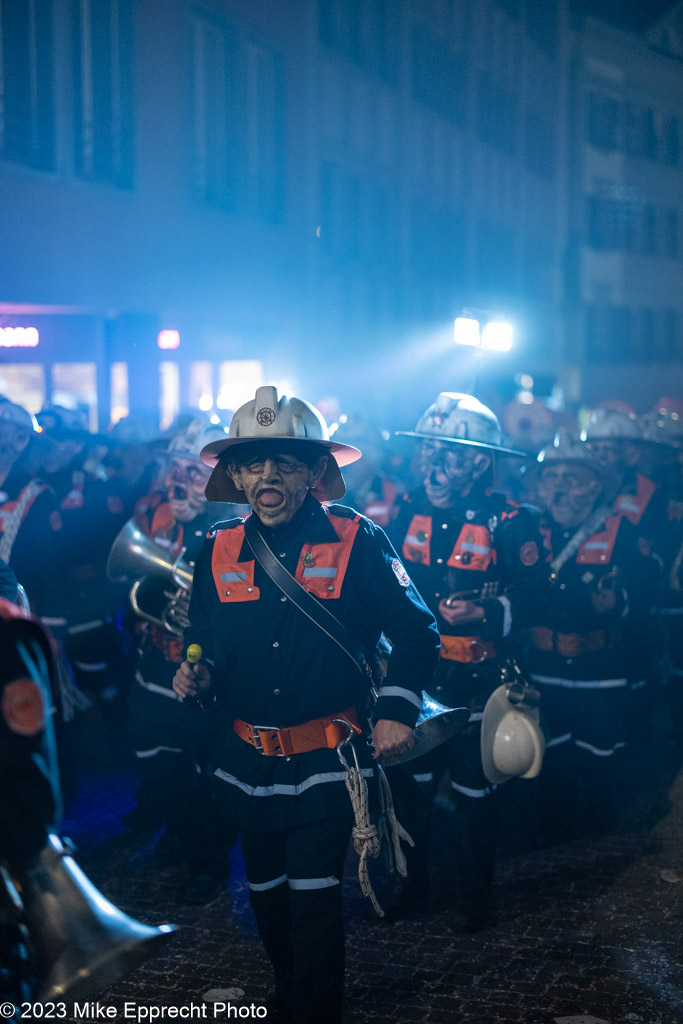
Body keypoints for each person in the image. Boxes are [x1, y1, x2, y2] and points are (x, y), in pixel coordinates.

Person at [172, 385, 439, 1024]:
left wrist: (397, 710)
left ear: (316, 472)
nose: (268, 474)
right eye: (254, 461)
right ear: (234, 473)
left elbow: (416, 630)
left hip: (328, 758)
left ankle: (316, 1011)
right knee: (264, 895)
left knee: (313, 896)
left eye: (287, 461)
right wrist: (198, 671)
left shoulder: (360, 537)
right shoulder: (213, 546)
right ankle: (291, 993)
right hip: (247, 758)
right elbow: (202, 635)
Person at [389, 391, 550, 931]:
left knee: (475, 796)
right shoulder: (408, 507)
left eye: (448, 455)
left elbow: (539, 597)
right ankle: (410, 886)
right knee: (411, 790)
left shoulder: (512, 521)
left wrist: (488, 609)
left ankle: (473, 899)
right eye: (428, 452)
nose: (433, 467)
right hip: (418, 680)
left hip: (479, 682)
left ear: (480, 461)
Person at [120, 417, 240, 904]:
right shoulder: (152, 511)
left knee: (207, 775)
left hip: (202, 679)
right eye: (175, 468)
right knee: (161, 769)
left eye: (193, 471)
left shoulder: (232, 522)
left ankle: (208, 860)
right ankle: (182, 831)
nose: (180, 481)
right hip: (154, 670)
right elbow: (133, 583)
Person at [524, 430, 660, 838]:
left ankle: (605, 844)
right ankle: (556, 837)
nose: (560, 485)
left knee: (600, 756)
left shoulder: (623, 530)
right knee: (551, 756)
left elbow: (647, 592)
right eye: (552, 476)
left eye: (573, 476)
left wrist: (618, 605)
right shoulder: (528, 531)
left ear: (597, 485)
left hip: (603, 671)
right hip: (543, 669)